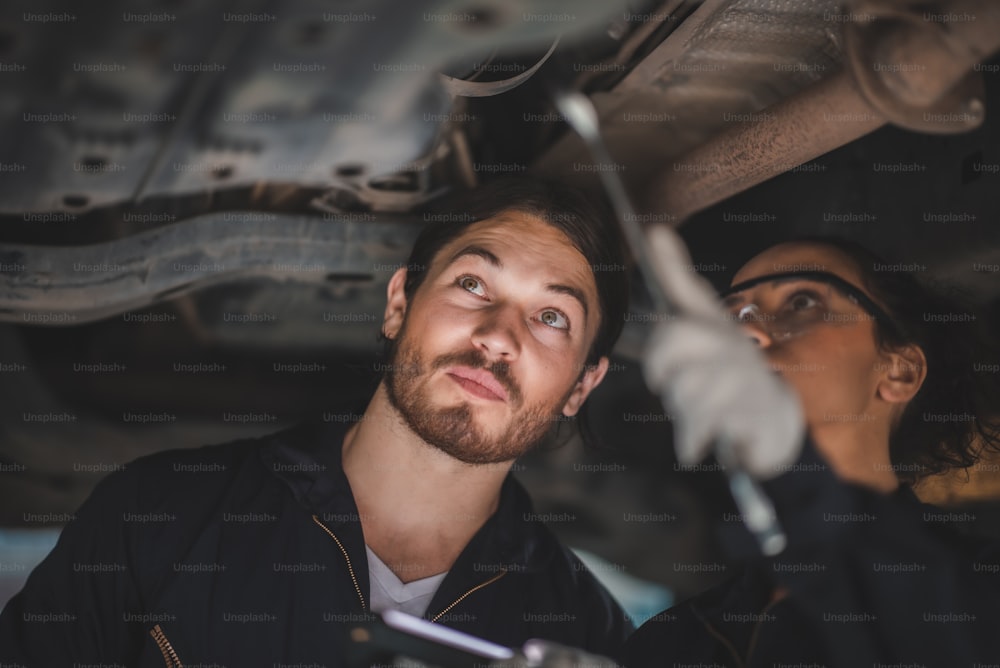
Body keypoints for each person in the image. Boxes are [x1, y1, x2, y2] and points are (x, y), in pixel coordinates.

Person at [0, 178, 633, 666]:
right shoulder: (156, 513)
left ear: (582, 384)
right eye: (472, 283)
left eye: (551, 317)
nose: (497, 337)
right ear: (398, 303)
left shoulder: (588, 634)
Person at [626, 233, 1000, 667]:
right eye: (735, 315)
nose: (746, 330)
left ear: (900, 371)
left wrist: (793, 471)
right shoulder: (668, 643)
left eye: (802, 302)